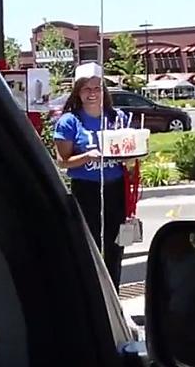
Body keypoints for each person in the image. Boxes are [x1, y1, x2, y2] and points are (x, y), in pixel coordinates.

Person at [54, 62, 132, 286]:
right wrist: (88, 157)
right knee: (90, 249)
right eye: (86, 89)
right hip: (85, 191)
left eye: (97, 88)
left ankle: (114, 298)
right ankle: (93, 299)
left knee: (115, 248)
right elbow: (62, 162)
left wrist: (131, 156)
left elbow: (131, 156)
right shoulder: (69, 122)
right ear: (78, 92)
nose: (92, 93)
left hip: (115, 190)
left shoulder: (118, 119)